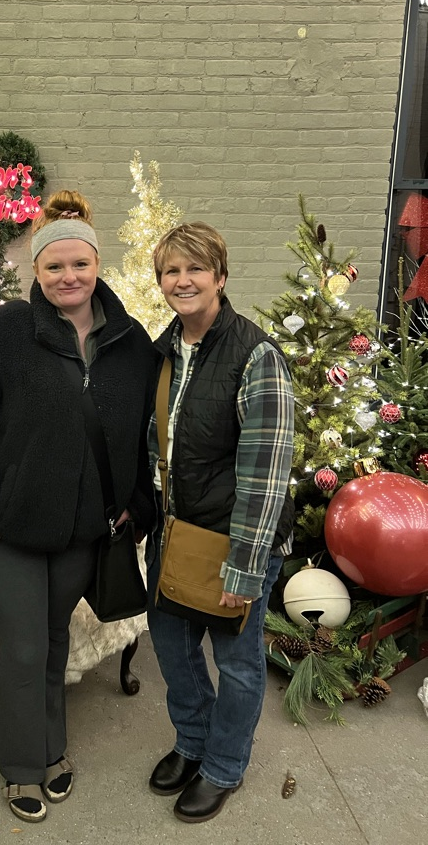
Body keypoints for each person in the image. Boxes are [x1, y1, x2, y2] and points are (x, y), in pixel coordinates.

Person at [0, 190, 156, 823]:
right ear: (36, 270)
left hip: (83, 531)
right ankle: (22, 766)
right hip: (3, 530)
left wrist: (130, 506)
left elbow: (138, 432)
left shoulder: (128, 340)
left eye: (79, 265)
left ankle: (53, 749)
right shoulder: (6, 332)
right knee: (28, 646)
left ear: (96, 264)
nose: (68, 277)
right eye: (54, 266)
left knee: (56, 639)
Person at [146, 222, 295, 823]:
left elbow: (265, 471)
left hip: (236, 539)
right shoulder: (163, 352)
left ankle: (225, 764)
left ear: (220, 278)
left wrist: (245, 562)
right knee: (173, 649)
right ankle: (192, 740)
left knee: (236, 661)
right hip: (176, 534)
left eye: (195, 270)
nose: (182, 281)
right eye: (171, 272)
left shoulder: (257, 356)